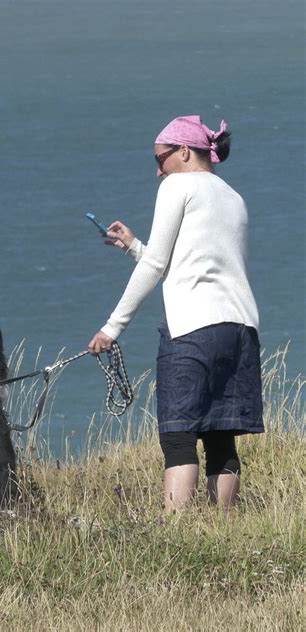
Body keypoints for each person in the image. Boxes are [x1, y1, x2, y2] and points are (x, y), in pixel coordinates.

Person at [88, 115, 264, 513]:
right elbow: (193, 261)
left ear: (184, 152)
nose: (157, 171)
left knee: (179, 436)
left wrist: (112, 328)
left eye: (161, 159)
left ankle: (177, 533)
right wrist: (134, 246)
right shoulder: (232, 196)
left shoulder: (177, 185)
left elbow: (156, 268)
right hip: (240, 329)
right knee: (221, 436)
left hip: (193, 330)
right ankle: (223, 528)